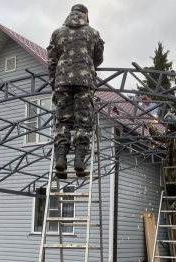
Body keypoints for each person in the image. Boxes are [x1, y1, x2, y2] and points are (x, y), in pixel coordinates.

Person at [47, 4, 105, 177]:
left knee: (63, 122)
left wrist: (54, 85)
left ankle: (61, 158)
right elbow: (98, 59)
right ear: (86, 15)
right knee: (83, 122)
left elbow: (51, 61)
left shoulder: (57, 33)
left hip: (62, 82)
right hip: (84, 82)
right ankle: (79, 159)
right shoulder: (93, 33)